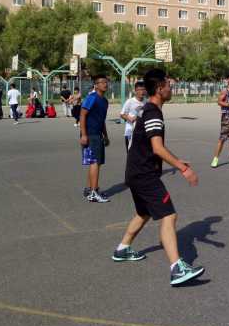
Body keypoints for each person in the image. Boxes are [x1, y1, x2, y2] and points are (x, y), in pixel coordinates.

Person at [111, 68, 205, 287]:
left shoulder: (147, 109)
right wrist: (183, 168)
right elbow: (157, 148)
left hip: (135, 172)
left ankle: (123, 249)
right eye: (169, 85)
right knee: (169, 216)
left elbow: (151, 146)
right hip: (144, 174)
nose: (171, 88)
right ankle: (177, 269)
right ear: (160, 88)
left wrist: (176, 160)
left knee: (143, 212)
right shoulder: (153, 112)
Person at [80, 74, 111, 203]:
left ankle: (90, 189)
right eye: (102, 82)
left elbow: (101, 120)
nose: (105, 84)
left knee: (95, 162)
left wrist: (105, 135)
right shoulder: (92, 98)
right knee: (95, 162)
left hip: (98, 134)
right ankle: (93, 193)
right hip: (90, 134)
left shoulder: (105, 101)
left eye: (106, 82)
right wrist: (84, 134)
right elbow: (82, 115)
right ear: (96, 85)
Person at [120, 81, 147, 153]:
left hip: (142, 132)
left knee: (141, 153)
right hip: (130, 131)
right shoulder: (130, 101)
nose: (142, 92)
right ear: (135, 91)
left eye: (143, 89)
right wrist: (130, 119)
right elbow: (122, 114)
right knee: (130, 153)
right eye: (139, 90)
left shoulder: (146, 102)